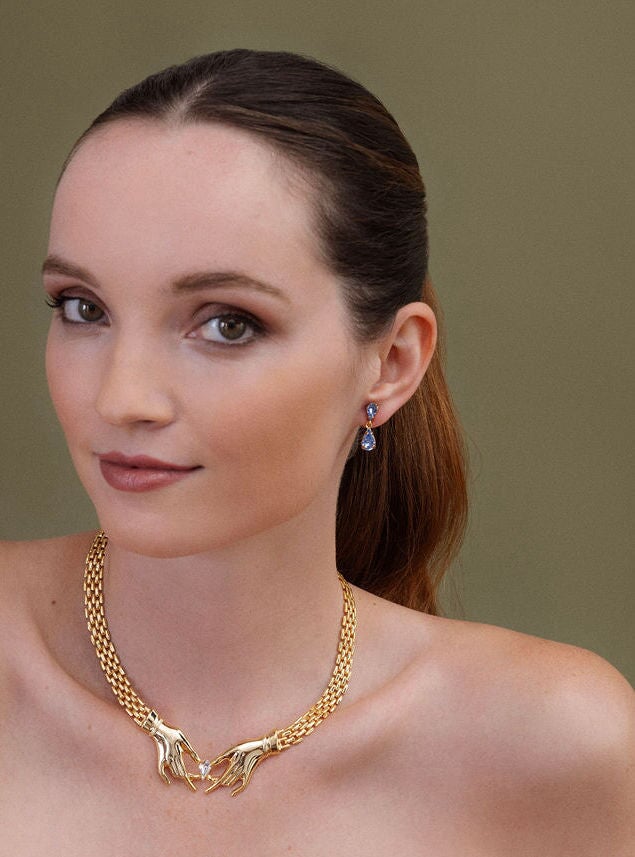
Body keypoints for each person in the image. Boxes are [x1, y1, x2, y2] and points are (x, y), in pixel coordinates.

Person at [1, 49, 632, 856]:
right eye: (82, 308)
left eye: (226, 323)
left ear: (391, 362)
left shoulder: (551, 744)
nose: (122, 397)